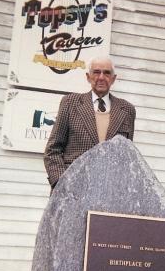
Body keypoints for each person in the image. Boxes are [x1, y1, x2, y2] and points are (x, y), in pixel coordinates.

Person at [44, 56, 136, 190]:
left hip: (109, 191)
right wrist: (62, 183)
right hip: (72, 190)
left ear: (113, 79)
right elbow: (52, 150)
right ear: (88, 76)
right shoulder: (70, 103)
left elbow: (127, 157)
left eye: (106, 73)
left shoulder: (127, 110)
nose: (101, 77)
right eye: (96, 72)